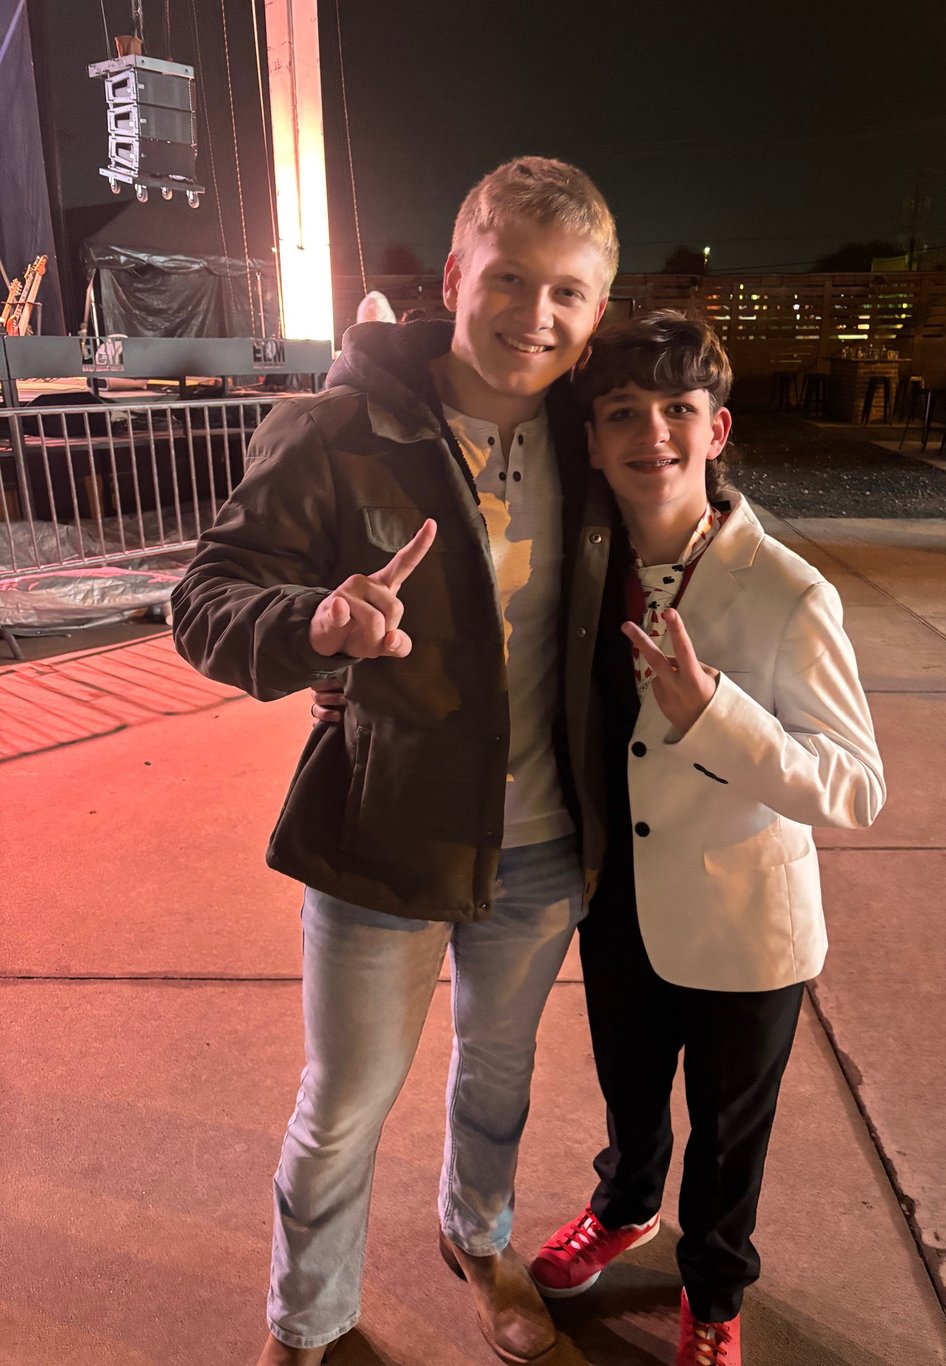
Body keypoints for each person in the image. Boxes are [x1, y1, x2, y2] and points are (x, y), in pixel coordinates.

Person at [170, 156, 618, 1366]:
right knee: (344, 1105)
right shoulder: (335, 430)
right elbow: (203, 601)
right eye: (510, 277)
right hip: (384, 834)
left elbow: (692, 524)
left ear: (597, 311)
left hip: (544, 845)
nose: (536, 314)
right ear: (455, 274)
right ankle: (305, 1318)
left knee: (499, 1077)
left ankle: (479, 1239)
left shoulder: (599, 441)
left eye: (569, 292)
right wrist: (314, 623)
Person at [526, 312, 885, 1365]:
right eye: (622, 413)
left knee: (729, 1134)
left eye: (677, 409)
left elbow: (856, 785)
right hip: (619, 901)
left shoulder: (787, 590)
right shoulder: (581, 573)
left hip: (745, 919)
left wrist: (717, 715)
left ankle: (716, 1291)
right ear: (591, 442)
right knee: (631, 1094)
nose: (652, 433)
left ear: (716, 428)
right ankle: (626, 1205)